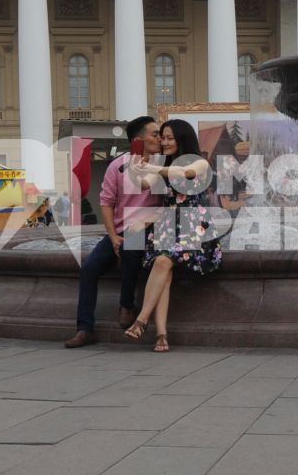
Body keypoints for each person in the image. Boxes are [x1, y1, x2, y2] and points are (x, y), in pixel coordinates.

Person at [64, 115, 161, 348]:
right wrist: (112, 235)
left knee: (130, 247)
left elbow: (166, 205)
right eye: (154, 134)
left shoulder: (162, 165)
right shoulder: (117, 166)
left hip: (149, 229)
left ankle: (126, 305)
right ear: (139, 139)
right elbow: (106, 202)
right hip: (120, 230)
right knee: (88, 269)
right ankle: (85, 329)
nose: (159, 138)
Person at [127, 118, 221, 352]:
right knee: (163, 269)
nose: (164, 142)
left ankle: (141, 320)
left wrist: (153, 167)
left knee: (163, 261)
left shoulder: (200, 163)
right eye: (163, 138)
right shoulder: (163, 166)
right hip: (169, 226)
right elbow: (143, 185)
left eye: (169, 138)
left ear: (183, 139)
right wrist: (134, 168)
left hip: (194, 229)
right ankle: (161, 335)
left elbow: (185, 173)